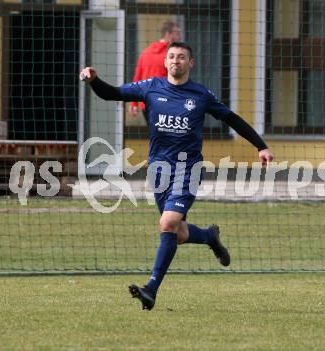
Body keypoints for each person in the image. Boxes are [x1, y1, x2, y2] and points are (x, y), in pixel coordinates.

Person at [79, 42, 274, 311]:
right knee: (179, 232)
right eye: (171, 56)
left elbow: (232, 119)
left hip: (188, 169)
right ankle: (209, 237)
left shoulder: (201, 94)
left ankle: (151, 289)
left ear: (190, 63)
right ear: (165, 61)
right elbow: (112, 94)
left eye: (181, 57)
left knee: (168, 222)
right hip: (159, 169)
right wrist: (94, 80)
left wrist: (260, 145)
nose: (175, 61)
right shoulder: (150, 87)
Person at [129, 21, 181, 123]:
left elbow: (137, 79)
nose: (180, 37)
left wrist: (133, 103)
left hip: (147, 105)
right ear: (168, 34)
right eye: (177, 33)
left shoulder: (145, 52)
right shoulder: (171, 56)